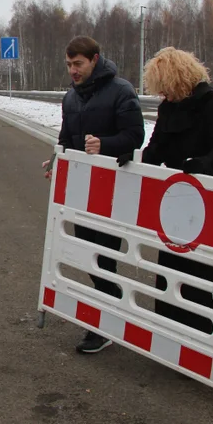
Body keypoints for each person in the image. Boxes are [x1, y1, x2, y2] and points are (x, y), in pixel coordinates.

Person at [44, 36, 144, 354]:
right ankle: (109, 314)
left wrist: (105, 144)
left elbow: (135, 136)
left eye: (78, 64)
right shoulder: (70, 98)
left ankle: (104, 323)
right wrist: (57, 159)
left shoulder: (121, 91)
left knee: (104, 258)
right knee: (89, 257)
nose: (72, 71)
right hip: (80, 192)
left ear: (95, 60)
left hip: (112, 193)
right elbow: (66, 137)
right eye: (69, 65)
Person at [129, 47, 213, 333]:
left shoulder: (212, 104)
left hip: (209, 194)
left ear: (177, 80)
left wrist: (202, 164)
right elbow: (157, 146)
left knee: (202, 270)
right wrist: (137, 160)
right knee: (172, 264)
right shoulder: (168, 107)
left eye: (166, 89)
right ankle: (173, 330)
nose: (164, 95)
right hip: (177, 197)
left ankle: (205, 332)